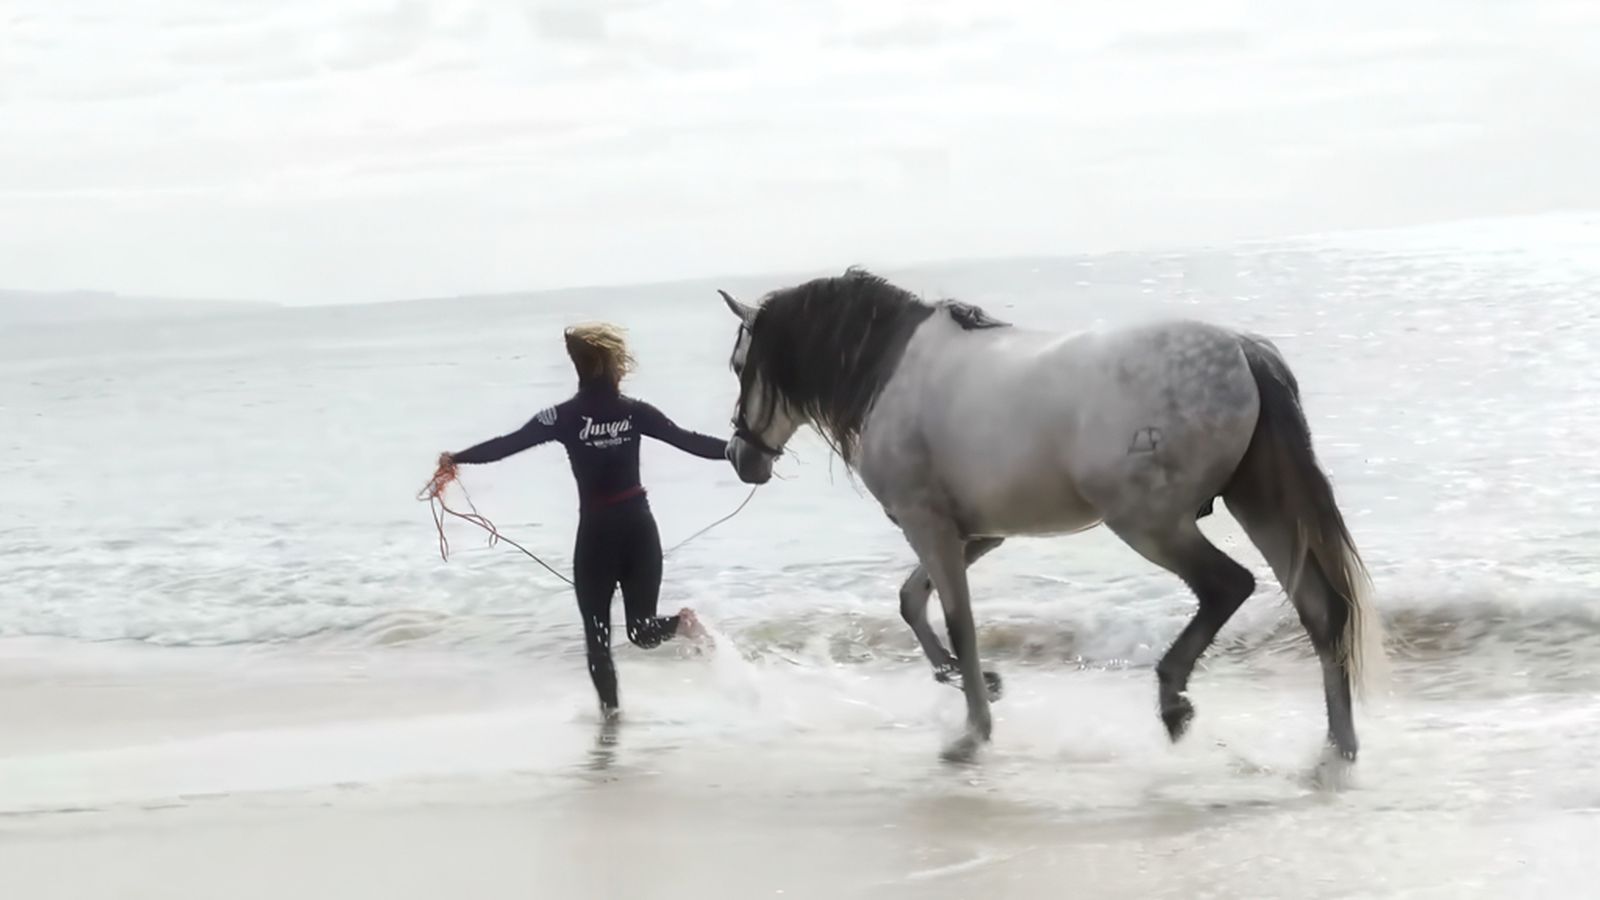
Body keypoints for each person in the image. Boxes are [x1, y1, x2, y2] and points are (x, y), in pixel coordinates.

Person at [435, 323, 730, 719]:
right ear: (615, 364)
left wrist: (457, 457)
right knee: (639, 633)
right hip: (633, 531)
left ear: (577, 365)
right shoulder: (621, 412)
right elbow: (692, 441)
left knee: (601, 640)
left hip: (604, 534)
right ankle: (619, 713)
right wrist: (743, 453)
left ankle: (614, 715)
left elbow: (506, 444)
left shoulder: (567, 416)